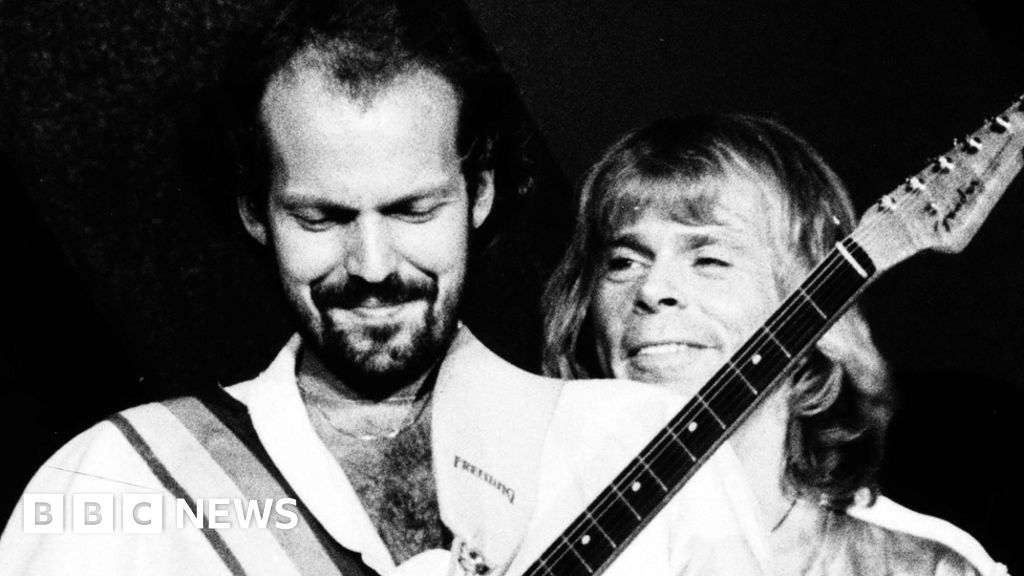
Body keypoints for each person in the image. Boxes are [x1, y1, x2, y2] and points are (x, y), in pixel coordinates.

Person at [0, 0, 573, 574]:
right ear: (256, 212)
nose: (372, 267)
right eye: (320, 218)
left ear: (480, 195)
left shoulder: (610, 449)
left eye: (413, 211)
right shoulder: (118, 481)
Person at [541, 113, 1009, 575]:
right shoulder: (521, 517)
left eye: (709, 259)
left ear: (813, 306)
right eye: (623, 262)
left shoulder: (916, 568)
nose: (652, 288)